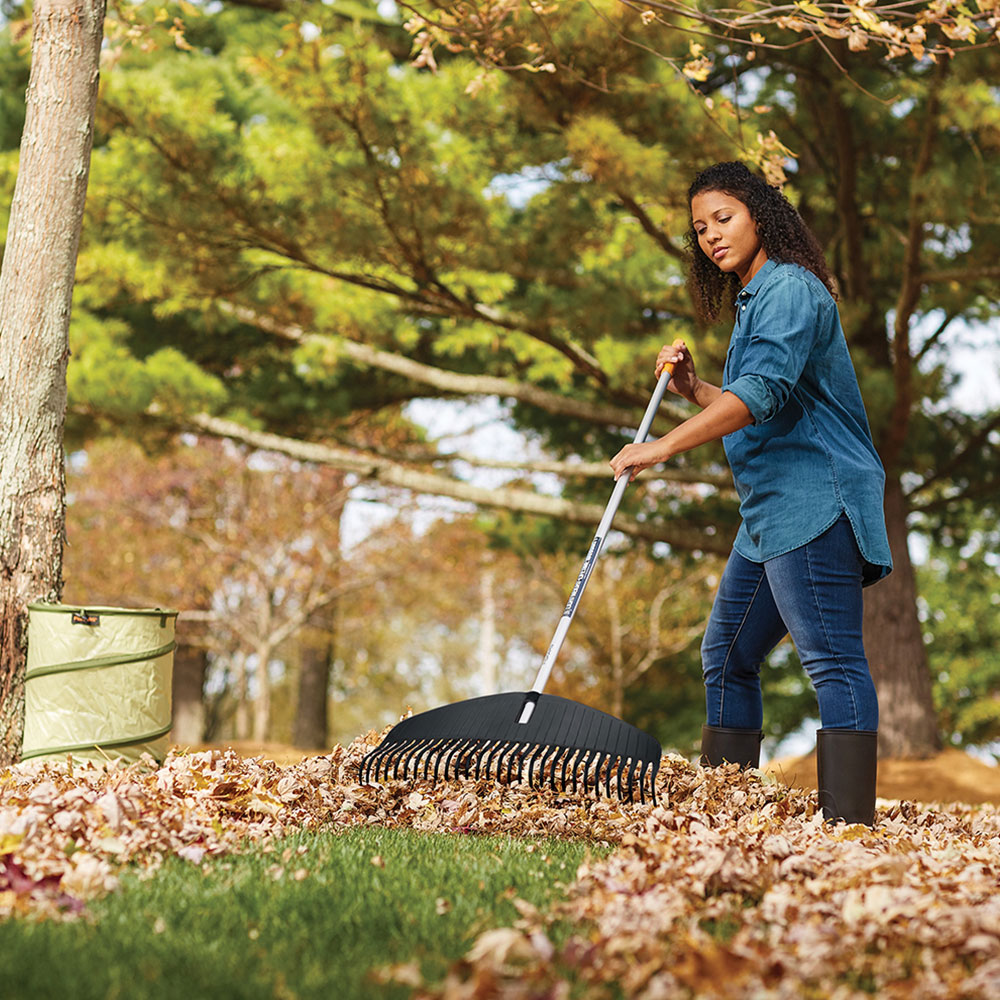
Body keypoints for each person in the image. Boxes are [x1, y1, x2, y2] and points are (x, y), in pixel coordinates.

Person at [609, 161, 892, 826]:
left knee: (832, 660)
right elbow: (761, 398)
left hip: (815, 498)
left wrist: (663, 445)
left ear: (761, 214)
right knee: (728, 657)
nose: (710, 236)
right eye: (699, 228)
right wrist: (692, 391)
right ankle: (723, 813)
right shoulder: (756, 298)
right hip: (770, 511)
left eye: (723, 218)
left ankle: (849, 825)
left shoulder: (791, 289)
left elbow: (760, 396)